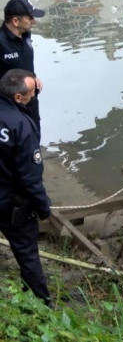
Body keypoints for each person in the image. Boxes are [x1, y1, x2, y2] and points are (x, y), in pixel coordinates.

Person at [0, 69, 52, 306]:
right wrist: (43, 208)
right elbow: (29, 177)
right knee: (27, 254)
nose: (35, 95)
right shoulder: (21, 125)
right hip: (11, 205)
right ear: (18, 98)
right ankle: (40, 304)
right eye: (32, 93)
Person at [0, 0, 46, 132]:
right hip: (10, 106)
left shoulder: (26, 34)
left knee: (35, 131)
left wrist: (32, 76)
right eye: (30, 18)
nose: (34, 21)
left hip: (30, 98)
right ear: (15, 21)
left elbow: (23, 60)